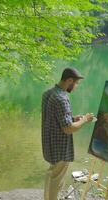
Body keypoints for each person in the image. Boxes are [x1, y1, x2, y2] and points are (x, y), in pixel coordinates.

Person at [41, 67, 94, 200]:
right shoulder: (62, 98)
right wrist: (84, 120)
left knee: (52, 174)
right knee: (57, 180)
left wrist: (72, 118)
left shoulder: (49, 93)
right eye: (76, 83)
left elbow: (54, 118)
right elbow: (68, 129)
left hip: (49, 143)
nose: (76, 86)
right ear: (69, 80)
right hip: (59, 147)